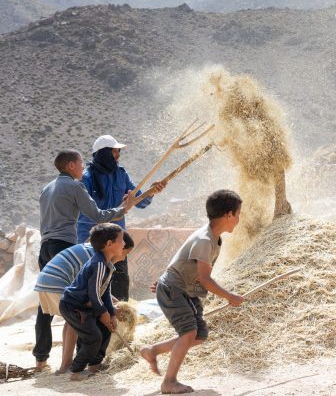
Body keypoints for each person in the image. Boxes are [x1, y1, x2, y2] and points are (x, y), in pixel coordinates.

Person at [33, 150, 134, 370]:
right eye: (80, 164)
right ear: (70, 166)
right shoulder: (75, 186)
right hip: (65, 245)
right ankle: (84, 361)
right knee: (79, 305)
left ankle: (41, 359)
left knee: (46, 306)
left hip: (46, 247)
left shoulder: (46, 188)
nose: (82, 168)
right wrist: (123, 209)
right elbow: (96, 215)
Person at [140, 189, 245, 394]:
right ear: (229, 214)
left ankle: (152, 350)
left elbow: (184, 263)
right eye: (239, 213)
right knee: (188, 333)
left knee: (198, 336)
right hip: (176, 289)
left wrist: (165, 280)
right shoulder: (204, 240)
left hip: (184, 290)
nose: (239, 219)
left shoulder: (213, 237)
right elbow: (205, 279)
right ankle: (169, 382)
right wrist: (229, 296)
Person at [77, 135, 165, 301]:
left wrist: (152, 191)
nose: (118, 156)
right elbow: (86, 213)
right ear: (103, 154)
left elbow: (139, 200)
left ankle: (121, 320)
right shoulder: (85, 179)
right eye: (114, 152)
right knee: (95, 283)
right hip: (91, 239)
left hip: (117, 240)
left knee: (120, 281)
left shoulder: (121, 174)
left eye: (118, 152)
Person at [34, 232, 135, 374]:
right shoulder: (98, 260)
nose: (124, 258)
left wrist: (115, 305)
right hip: (56, 282)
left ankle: (64, 363)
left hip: (46, 281)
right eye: (125, 252)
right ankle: (67, 365)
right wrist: (109, 310)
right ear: (112, 246)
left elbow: (101, 287)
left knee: (74, 319)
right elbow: (94, 290)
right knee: (75, 319)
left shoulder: (98, 255)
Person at [59, 223, 126, 380]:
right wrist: (103, 313)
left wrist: (111, 314)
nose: (123, 244)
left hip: (86, 306)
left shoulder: (108, 266)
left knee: (105, 329)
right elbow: (94, 293)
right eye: (121, 240)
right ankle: (76, 371)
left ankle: (95, 364)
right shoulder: (98, 265)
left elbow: (105, 293)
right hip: (73, 306)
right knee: (93, 337)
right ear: (109, 244)